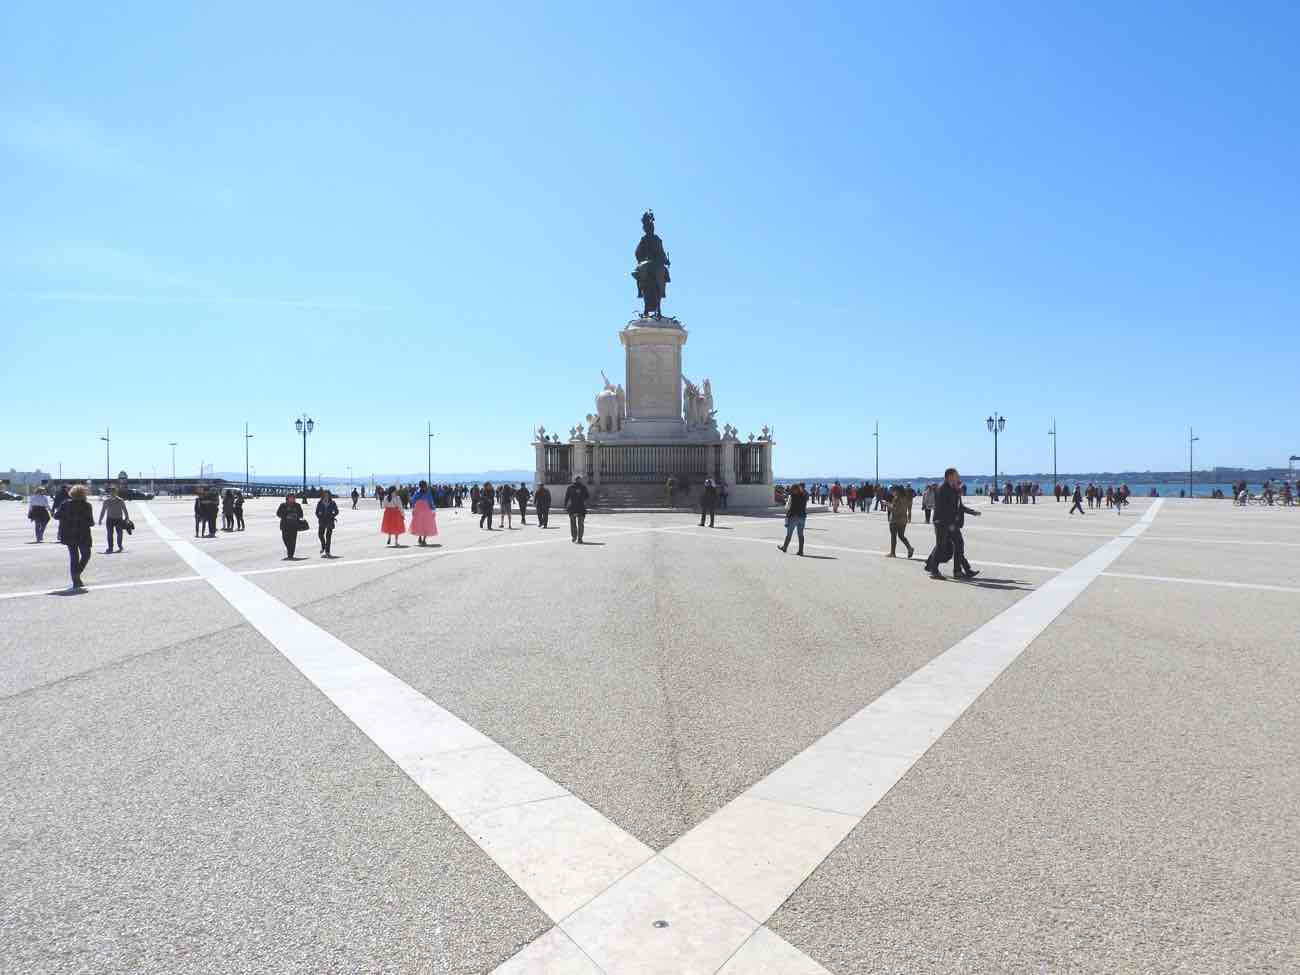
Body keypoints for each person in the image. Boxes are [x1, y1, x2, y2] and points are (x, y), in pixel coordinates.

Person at [54, 484, 95, 590]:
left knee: (74, 557)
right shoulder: (87, 505)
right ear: (83, 494)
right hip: (83, 534)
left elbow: (56, 516)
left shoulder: (65, 504)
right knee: (86, 555)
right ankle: (77, 575)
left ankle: (76, 579)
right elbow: (91, 522)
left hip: (68, 534)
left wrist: (66, 518)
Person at [778, 481, 809, 555]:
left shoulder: (791, 496)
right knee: (800, 534)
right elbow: (805, 506)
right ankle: (801, 551)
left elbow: (787, 507)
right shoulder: (805, 496)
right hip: (802, 517)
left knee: (789, 534)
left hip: (793, 516)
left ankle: (784, 547)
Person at [97, 488, 131, 553]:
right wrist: (100, 520)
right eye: (111, 492)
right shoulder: (106, 501)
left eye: (114, 492)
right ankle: (110, 547)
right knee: (109, 534)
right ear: (109, 493)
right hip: (109, 519)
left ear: (116, 493)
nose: (112, 493)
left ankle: (120, 546)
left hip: (119, 519)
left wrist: (127, 518)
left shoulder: (120, 500)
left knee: (120, 533)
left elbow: (125, 510)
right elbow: (103, 511)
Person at [887, 484, 915, 559]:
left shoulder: (896, 498)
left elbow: (895, 510)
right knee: (901, 536)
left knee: (893, 536)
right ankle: (909, 548)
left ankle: (893, 553)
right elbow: (907, 508)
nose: (892, 492)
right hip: (903, 520)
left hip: (895, 520)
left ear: (897, 491)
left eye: (893, 491)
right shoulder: (905, 498)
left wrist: (888, 505)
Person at [408, 480, 439, 547]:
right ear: (421, 487)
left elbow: (431, 502)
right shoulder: (417, 493)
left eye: (425, 486)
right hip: (419, 511)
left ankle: (424, 539)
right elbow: (413, 501)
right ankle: (420, 537)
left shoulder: (427, 493)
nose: (425, 487)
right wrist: (413, 509)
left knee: (426, 525)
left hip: (426, 511)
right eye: (424, 486)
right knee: (420, 525)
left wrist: (433, 509)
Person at [276, 493, 305, 560]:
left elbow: (301, 514)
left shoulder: (297, 505)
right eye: (290, 497)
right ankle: (289, 551)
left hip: (294, 525)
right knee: (285, 539)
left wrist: (295, 515)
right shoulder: (283, 505)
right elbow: (278, 513)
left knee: (293, 541)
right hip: (285, 525)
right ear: (287, 498)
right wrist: (286, 515)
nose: (292, 499)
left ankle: (290, 554)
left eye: (293, 498)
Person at [565, 475, 589, 543]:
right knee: (578, 523)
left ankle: (576, 537)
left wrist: (566, 506)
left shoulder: (571, 487)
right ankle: (578, 538)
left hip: (574, 508)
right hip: (579, 508)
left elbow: (567, 498)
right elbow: (587, 497)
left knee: (575, 523)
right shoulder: (583, 487)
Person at [316, 489, 340, 556]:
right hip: (322, 520)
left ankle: (327, 551)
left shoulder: (332, 503)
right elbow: (316, 512)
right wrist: (319, 516)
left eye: (327, 495)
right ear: (323, 495)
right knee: (320, 534)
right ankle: (323, 546)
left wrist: (333, 515)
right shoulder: (320, 502)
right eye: (325, 495)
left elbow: (337, 511)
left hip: (330, 520)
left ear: (329, 495)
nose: (326, 496)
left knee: (328, 537)